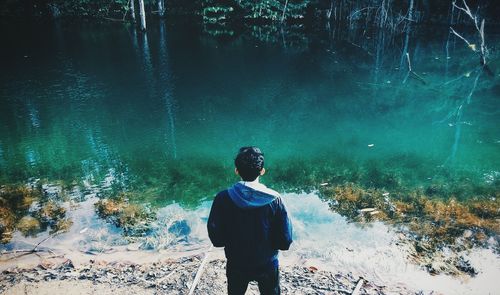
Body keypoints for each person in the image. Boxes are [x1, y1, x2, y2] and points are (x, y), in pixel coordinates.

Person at [207, 147, 293, 295]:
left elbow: (217, 239)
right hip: (267, 263)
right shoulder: (275, 200)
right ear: (262, 171)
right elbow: (285, 241)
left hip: (236, 263)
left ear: (236, 171)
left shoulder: (222, 198)